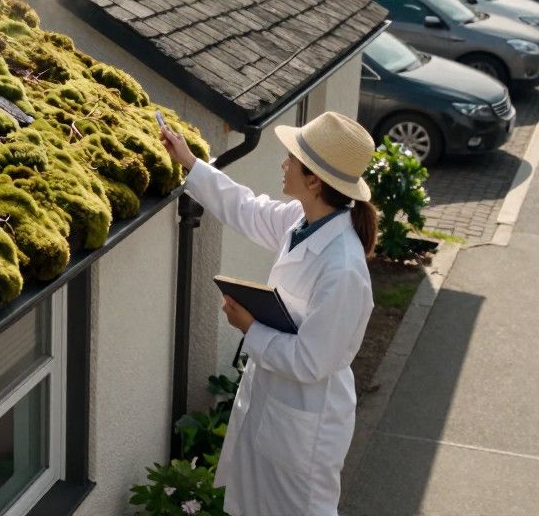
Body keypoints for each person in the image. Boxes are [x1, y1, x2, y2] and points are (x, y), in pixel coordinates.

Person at [160, 111, 378, 516]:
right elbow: (244, 207)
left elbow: (313, 360)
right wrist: (190, 162)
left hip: (305, 432)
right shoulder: (303, 221)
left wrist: (250, 327)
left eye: (291, 159)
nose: (283, 164)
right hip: (275, 414)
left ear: (313, 180)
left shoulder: (343, 269)